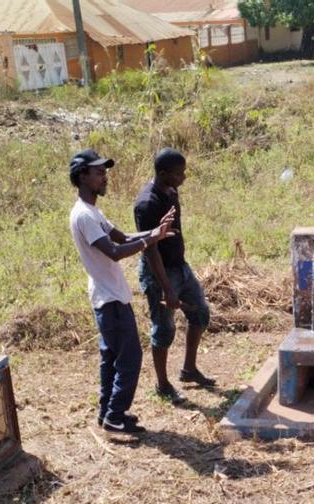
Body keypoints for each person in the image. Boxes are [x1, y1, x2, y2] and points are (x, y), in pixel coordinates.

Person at [68, 149, 176, 434]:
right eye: (99, 173)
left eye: (105, 172)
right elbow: (115, 252)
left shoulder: (93, 211)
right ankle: (116, 414)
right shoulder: (84, 216)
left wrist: (155, 232)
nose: (105, 178)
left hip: (111, 296)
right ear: (82, 176)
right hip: (110, 300)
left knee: (111, 359)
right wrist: (150, 239)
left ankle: (108, 413)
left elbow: (125, 237)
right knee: (129, 359)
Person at [134, 148, 215, 403]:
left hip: (180, 266)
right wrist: (167, 288)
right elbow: (151, 250)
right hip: (160, 272)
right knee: (164, 329)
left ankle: (189, 369)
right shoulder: (147, 203)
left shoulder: (171, 190)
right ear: (163, 174)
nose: (184, 178)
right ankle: (162, 384)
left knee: (200, 313)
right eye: (179, 173)